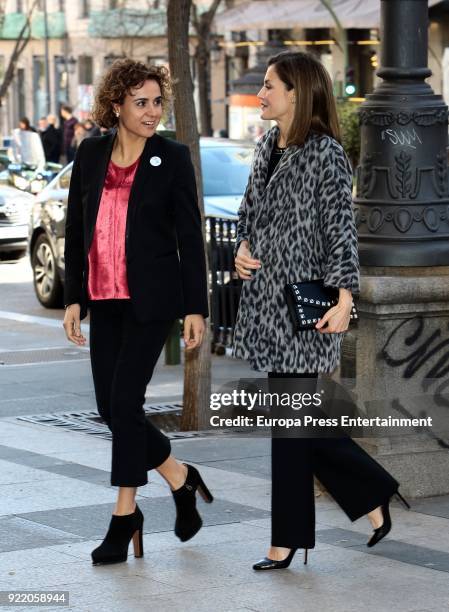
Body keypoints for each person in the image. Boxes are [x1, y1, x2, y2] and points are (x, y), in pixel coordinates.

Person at [232, 50, 409, 571]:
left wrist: (346, 297)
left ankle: (285, 541)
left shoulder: (326, 154)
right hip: (266, 304)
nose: (260, 93)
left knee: (289, 427)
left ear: (296, 93)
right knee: (295, 424)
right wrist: (241, 248)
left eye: (269, 85)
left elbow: (341, 233)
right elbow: (247, 214)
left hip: (304, 307)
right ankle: (373, 493)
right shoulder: (268, 146)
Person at [63, 58, 213, 566]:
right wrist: (73, 296)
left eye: (157, 102)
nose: (152, 112)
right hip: (104, 302)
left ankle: (124, 516)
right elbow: (76, 229)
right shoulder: (90, 153)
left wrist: (196, 307)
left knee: (124, 404)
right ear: (116, 106)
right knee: (110, 408)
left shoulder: (170, 157)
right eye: (141, 103)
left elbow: (191, 239)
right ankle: (179, 476)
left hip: (152, 303)